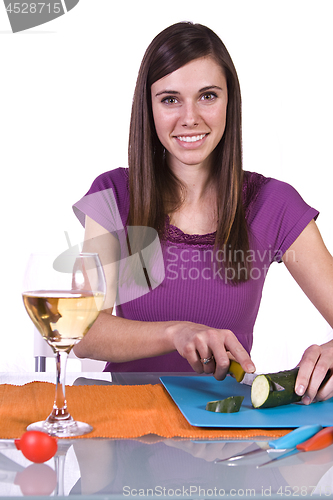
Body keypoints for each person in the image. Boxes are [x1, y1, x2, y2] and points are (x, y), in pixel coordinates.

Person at [73, 21, 333, 405]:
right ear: (149, 108)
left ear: (230, 101)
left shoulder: (274, 203)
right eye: (170, 99)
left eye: (208, 96)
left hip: (224, 428)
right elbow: (83, 332)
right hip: (127, 423)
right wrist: (177, 333)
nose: (190, 117)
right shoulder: (114, 194)